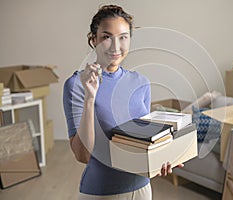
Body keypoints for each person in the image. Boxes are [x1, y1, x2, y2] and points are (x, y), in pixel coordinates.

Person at [63, 5, 182, 200]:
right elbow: (82, 156)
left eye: (123, 37)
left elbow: (144, 141)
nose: (116, 46)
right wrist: (90, 99)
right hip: (101, 192)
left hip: (143, 189)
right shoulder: (76, 84)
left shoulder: (141, 82)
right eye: (107, 37)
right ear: (94, 40)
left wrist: (162, 158)